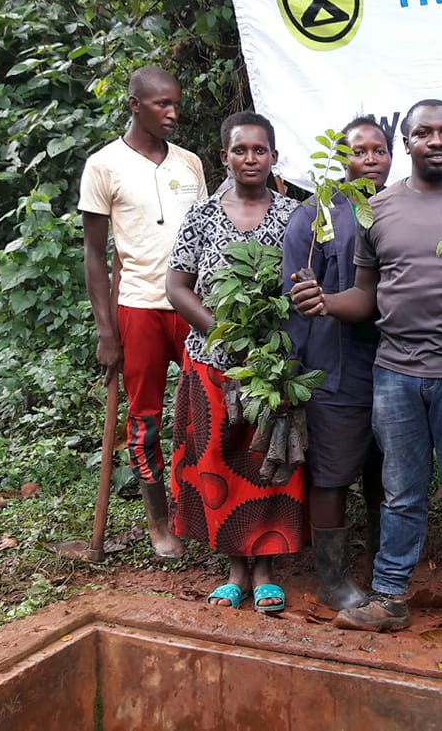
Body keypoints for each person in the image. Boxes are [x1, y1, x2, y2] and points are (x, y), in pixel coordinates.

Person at [290, 99, 442, 649]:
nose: (436, 141)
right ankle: (391, 597)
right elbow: (366, 295)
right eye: (424, 133)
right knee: (399, 492)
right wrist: (324, 301)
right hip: (395, 370)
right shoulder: (380, 211)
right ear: (409, 143)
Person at [166, 111, 303, 612]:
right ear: (223, 157)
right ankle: (233, 568)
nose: (250, 158)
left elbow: (307, 286)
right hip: (213, 362)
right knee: (219, 458)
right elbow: (177, 287)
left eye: (260, 150)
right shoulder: (202, 217)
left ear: (274, 157)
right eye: (240, 150)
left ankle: (266, 567)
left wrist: (270, 341)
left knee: (265, 459)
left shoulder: (295, 217)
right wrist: (220, 331)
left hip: (272, 365)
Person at [79, 65, 206, 560]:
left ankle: (201, 508)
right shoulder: (104, 166)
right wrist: (106, 331)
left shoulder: (190, 164)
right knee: (145, 419)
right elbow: (95, 254)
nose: (173, 113)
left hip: (193, 306)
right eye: (161, 105)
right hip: (139, 306)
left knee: (207, 412)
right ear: (135, 105)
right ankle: (159, 521)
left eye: (175, 103)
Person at [281, 117, 390, 608]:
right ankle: (333, 578)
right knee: (333, 471)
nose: (369, 159)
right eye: (359, 150)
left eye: (379, 150)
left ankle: (383, 568)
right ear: (342, 158)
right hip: (335, 362)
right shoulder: (316, 213)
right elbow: (296, 293)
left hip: (397, 363)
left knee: (387, 472)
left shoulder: (400, 206)